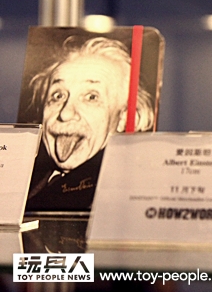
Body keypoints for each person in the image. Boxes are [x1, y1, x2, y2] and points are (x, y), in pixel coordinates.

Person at [25, 36, 155, 211]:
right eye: (58, 95)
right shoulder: (23, 179)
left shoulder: (124, 200)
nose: (65, 113)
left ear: (124, 119)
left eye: (91, 97)